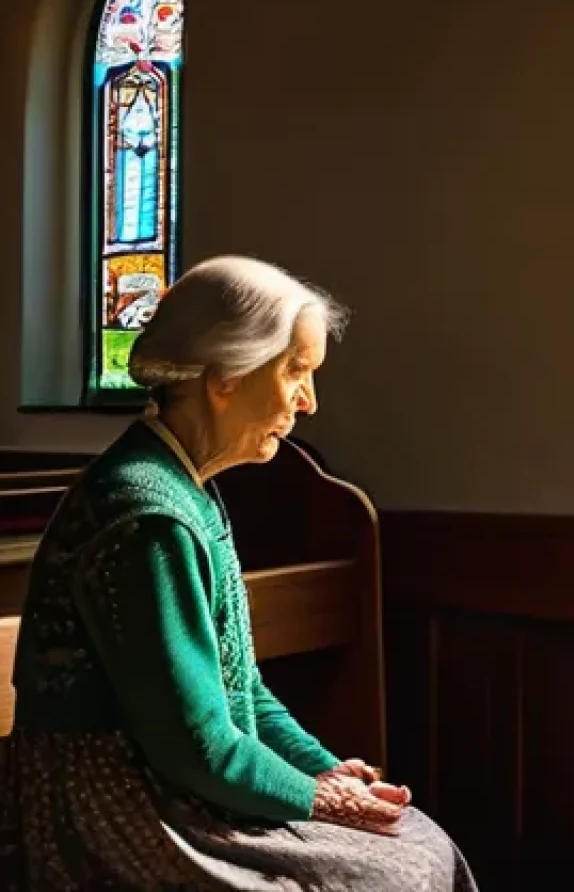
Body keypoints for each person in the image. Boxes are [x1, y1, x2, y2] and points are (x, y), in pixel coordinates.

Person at [0, 256, 479, 891]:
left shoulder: (189, 487)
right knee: (397, 870)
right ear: (225, 376)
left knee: (415, 841)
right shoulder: (145, 515)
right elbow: (194, 747)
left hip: (175, 785)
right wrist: (320, 799)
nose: (308, 402)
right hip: (117, 806)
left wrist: (326, 770)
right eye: (296, 371)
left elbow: (241, 690)